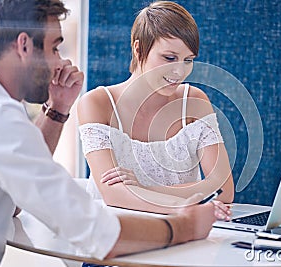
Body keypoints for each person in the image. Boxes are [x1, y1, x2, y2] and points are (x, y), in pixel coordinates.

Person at [0, 1, 216, 267]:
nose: (61, 62)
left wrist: (58, 109)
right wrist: (183, 226)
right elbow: (98, 234)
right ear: (24, 45)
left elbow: (12, 202)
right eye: (55, 48)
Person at [77, 1, 234, 218]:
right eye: (169, 58)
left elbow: (223, 189)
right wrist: (185, 203)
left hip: (183, 233)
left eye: (188, 60)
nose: (179, 71)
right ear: (138, 49)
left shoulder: (194, 101)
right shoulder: (97, 103)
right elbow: (113, 195)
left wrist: (143, 190)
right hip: (113, 233)